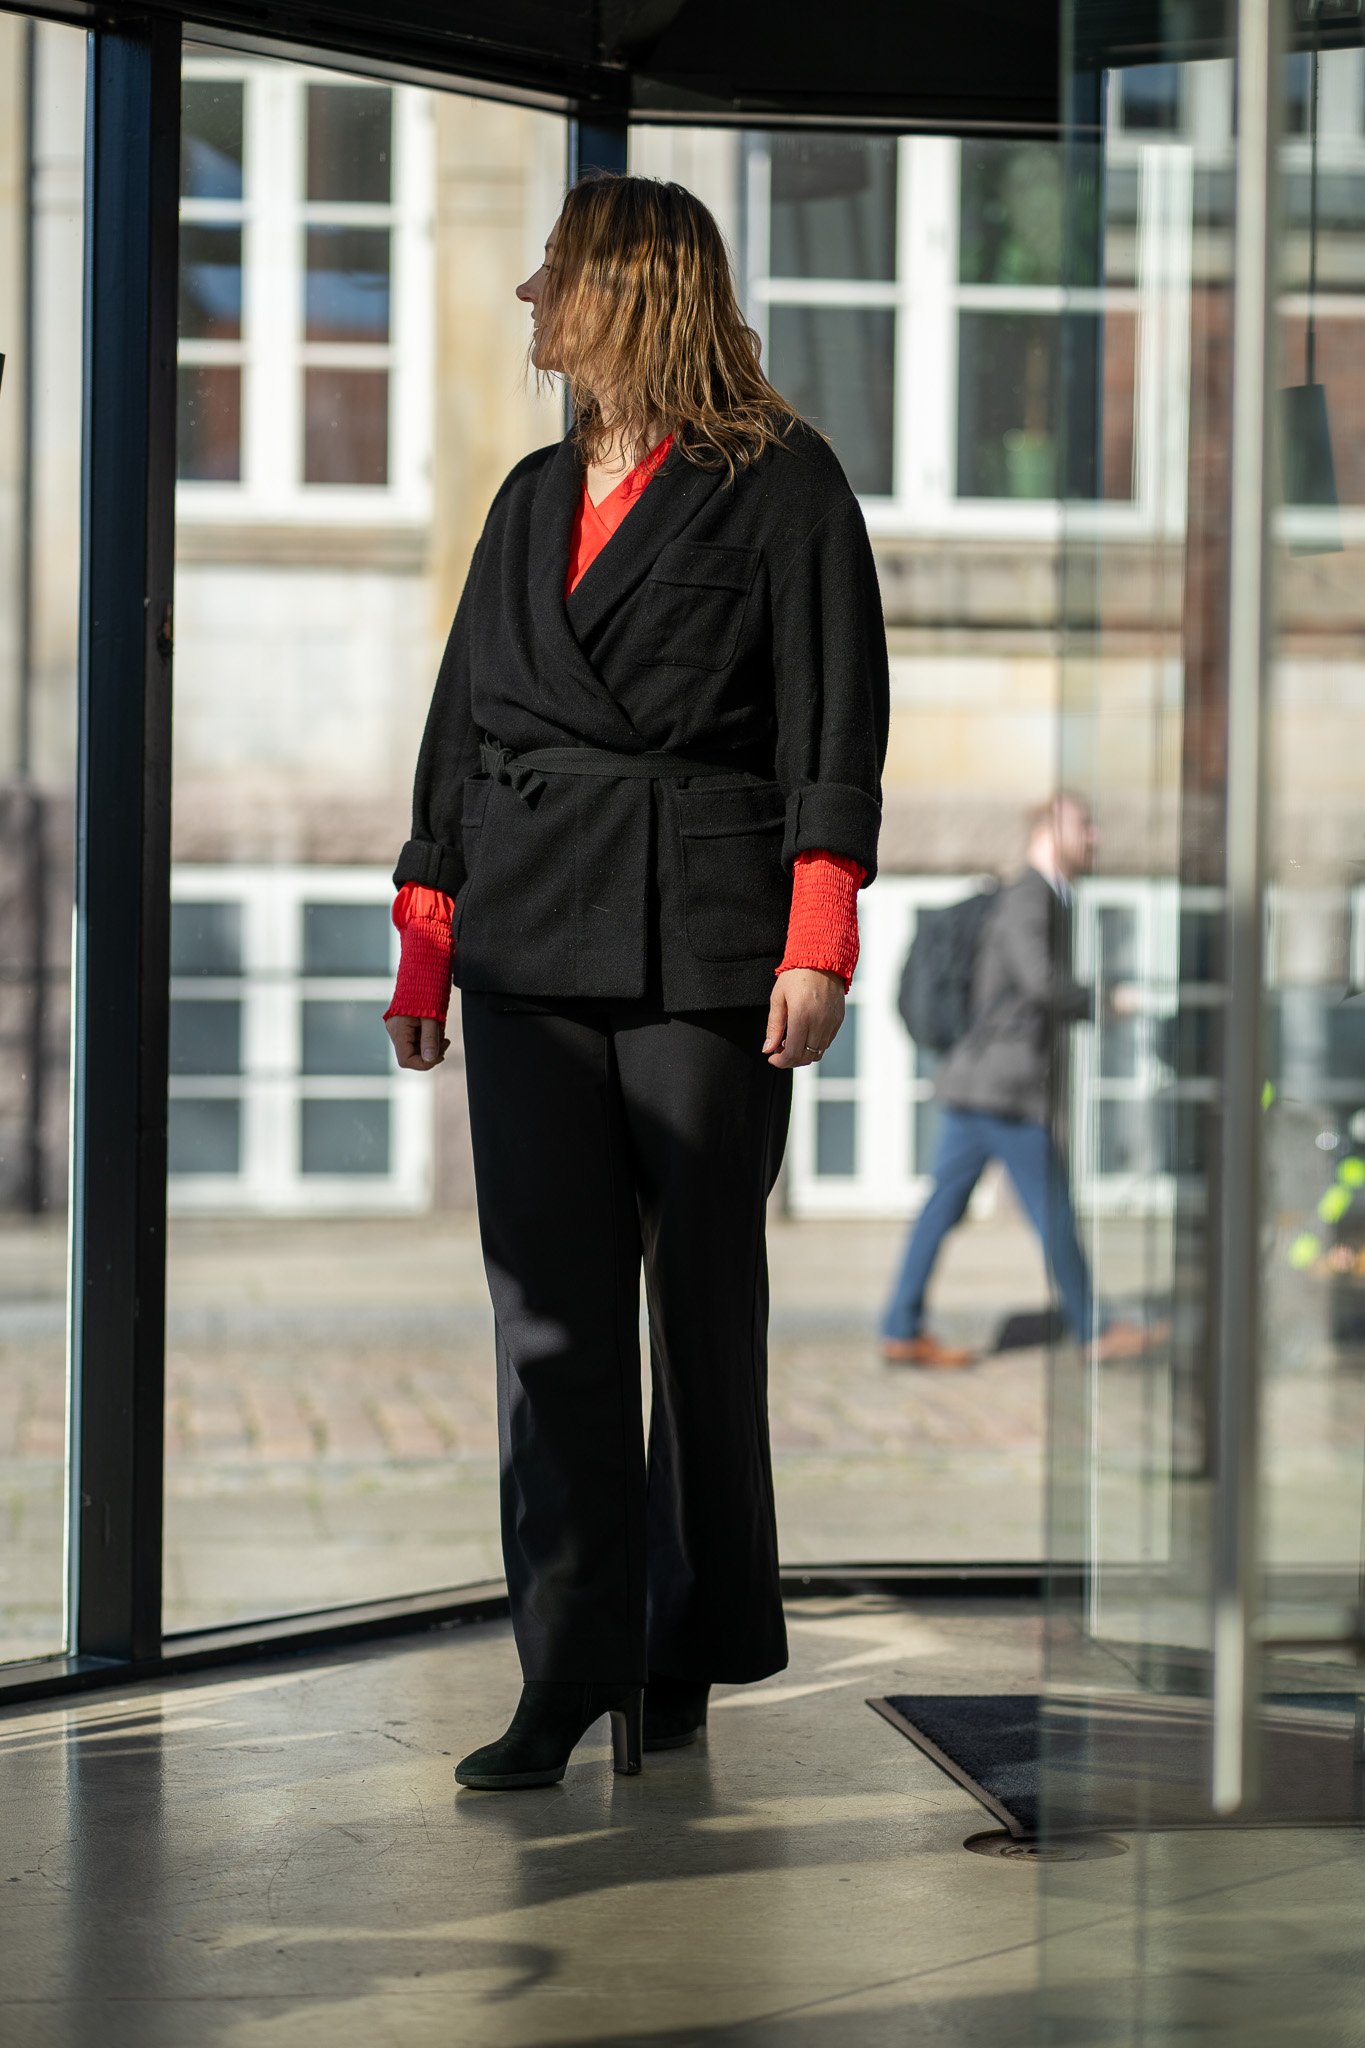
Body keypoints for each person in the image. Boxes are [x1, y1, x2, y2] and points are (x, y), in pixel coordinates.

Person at [383, 173, 889, 1789]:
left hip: (707, 947)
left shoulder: (784, 482)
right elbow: (462, 730)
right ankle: (567, 1664)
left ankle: (683, 1644)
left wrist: (818, 939)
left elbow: (832, 720)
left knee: (704, 1314)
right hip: (529, 941)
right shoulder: (529, 496)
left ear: (630, 288)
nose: (531, 298)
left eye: (558, 272)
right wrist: (427, 938)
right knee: (548, 1321)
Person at [880, 793, 1157, 1368]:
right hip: (1004, 1088)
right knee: (1052, 1208)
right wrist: (1103, 1001)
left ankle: (901, 1326)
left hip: (980, 1082)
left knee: (944, 1209)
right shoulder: (1032, 895)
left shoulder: (1036, 894)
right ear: (1049, 830)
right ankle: (1093, 1328)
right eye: (1085, 825)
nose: (1096, 837)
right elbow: (1039, 980)